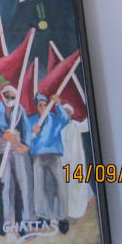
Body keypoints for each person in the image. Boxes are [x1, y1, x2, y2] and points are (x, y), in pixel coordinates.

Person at [0, 84, 33, 237]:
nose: (10, 99)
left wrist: (26, 145)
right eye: (7, 96)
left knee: (22, 184)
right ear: (2, 95)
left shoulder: (20, 109)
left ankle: (23, 221)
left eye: (13, 97)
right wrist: (2, 134)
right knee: (3, 184)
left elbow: (26, 129)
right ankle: (3, 221)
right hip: (1, 149)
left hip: (16, 150)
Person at [30, 92, 70, 234]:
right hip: (38, 155)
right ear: (37, 106)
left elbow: (65, 120)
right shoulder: (32, 120)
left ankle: (61, 216)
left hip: (53, 154)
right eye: (40, 105)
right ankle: (42, 216)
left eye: (44, 105)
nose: (42, 107)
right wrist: (33, 133)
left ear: (48, 106)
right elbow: (26, 137)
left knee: (60, 184)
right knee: (40, 185)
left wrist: (58, 104)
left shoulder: (54, 118)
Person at [60, 103, 94, 218]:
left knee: (78, 185)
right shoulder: (56, 126)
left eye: (68, 112)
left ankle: (78, 208)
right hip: (63, 162)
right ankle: (68, 209)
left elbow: (87, 125)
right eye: (64, 112)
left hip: (76, 160)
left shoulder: (75, 125)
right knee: (65, 186)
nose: (66, 114)